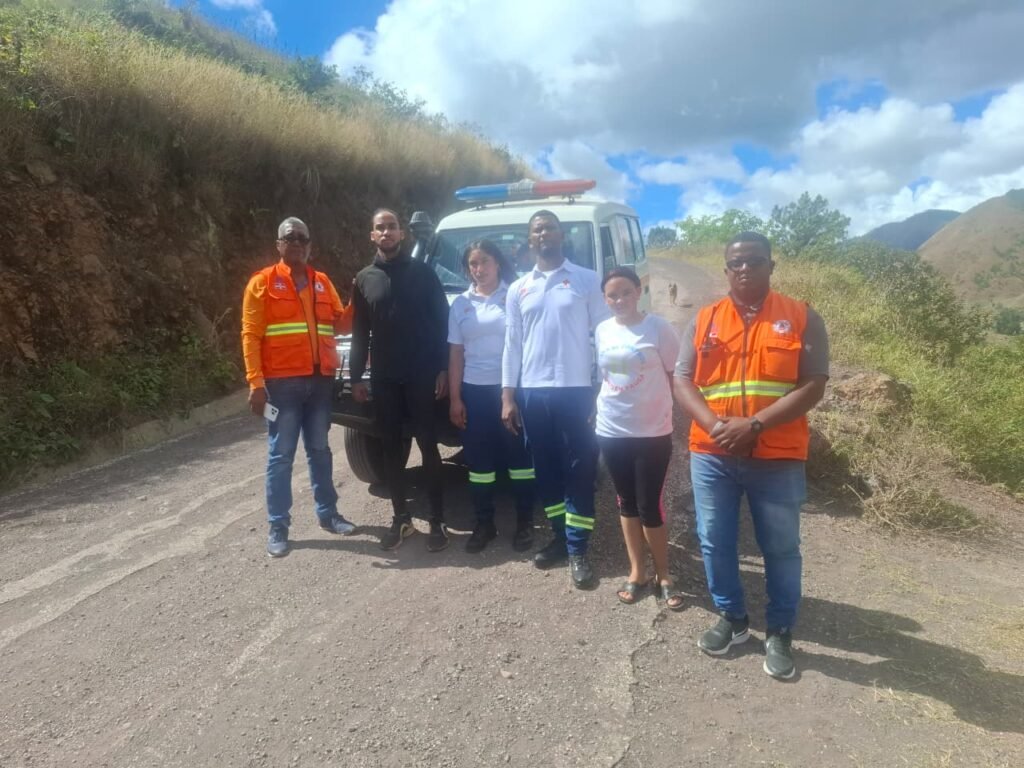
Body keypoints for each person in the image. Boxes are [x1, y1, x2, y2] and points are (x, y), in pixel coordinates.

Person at [673, 231, 829, 680]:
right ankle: (733, 619)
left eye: (755, 261)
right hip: (713, 452)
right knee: (713, 539)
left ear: (771, 266)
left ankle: (779, 630)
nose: (745, 269)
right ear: (726, 270)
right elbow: (683, 380)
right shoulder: (704, 320)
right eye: (736, 263)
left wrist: (755, 425)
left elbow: (813, 384)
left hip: (777, 455)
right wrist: (714, 426)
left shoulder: (802, 317)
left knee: (781, 547)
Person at [502, 210, 610, 589]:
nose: (543, 233)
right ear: (529, 239)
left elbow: (605, 336)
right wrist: (507, 395)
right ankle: (560, 537)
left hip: (576, 390)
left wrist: (604, 387)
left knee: (579, 468)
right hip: (532, 392)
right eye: (536, 229)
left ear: (561, 234)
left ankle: (578, 548)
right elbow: (512, 344)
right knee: (545, 469)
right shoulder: (518, 288)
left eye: (549, 227)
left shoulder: (586, 279)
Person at [241, 217, 357, 558]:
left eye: (301, 238)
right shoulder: (261, 283)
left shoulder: (322, 282)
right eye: (289, 237)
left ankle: (328, 514)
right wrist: (255, 383)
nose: (296, 243)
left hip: (320, 383)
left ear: (309, 246)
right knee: (281, 456)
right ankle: (278, 526)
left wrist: (357, 300)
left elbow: (340, 325)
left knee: (320, 450)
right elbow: (250, 335)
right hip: (282, 386)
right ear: (278, 244)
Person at [350, 208, 451, 552]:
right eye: (380, 227)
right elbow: (360, 332)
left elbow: (443, 323)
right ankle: (401, 519)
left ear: (402, 233)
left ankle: (437, 520)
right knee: (390, 448)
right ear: (372, 235)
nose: (386, 232)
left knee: (428, 445)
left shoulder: (424, 273)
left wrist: (443, 368)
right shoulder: (364, 279)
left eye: (392, 226)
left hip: (422, 374)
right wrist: (356, 377)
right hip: (385, 378)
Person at [594, 267, 683, 609]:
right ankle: (637, 572)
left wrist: (679, 418)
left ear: (638, 292)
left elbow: (677, 375)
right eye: (612, 295)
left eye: (626, 293)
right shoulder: (602, 330)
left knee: (649, 505)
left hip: (651, 431)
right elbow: (607, 376)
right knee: (626, 502)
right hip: (611, 429)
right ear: (605, 299)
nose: (619, 300)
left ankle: (664, 575)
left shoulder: (658, 328)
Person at [448, 240, 536, 553]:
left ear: (497, 263)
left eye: (484, 261)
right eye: (473, 264)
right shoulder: (460, 304)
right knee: (479, 463)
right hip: (474, 392)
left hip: (511, 389)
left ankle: (525, 522)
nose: (479, 269)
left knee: (519, 460)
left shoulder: (514, 295)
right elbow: (456, 353)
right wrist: (455, 398)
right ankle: (484, 523)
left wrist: (514, 393)